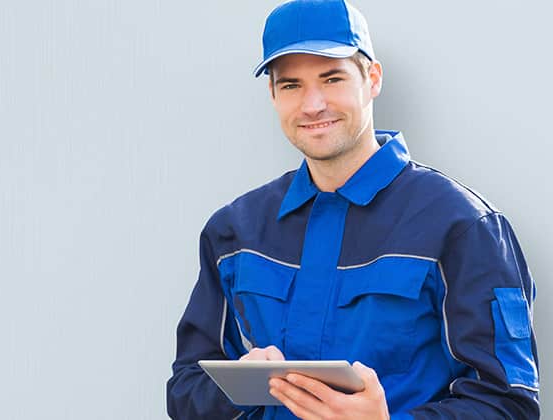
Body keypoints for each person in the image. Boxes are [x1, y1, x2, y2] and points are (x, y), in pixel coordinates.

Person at [165, 0, 540, 419]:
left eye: (332, 78)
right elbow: (185, 391)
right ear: (272, 93)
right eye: (291, 85)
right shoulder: (235, 232)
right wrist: (234, 388)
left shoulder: (463, 227)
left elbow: (509, 405)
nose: (312, 105)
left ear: (372, 79)